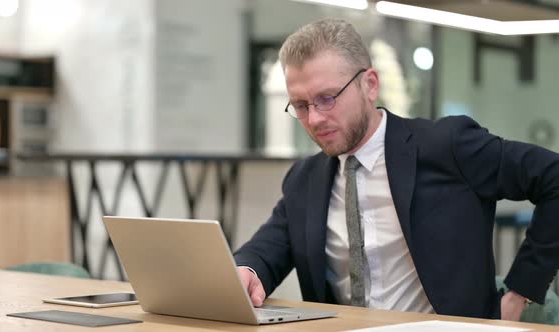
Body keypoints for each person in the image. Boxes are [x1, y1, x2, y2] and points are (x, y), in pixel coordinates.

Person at [233, 18, 559, 321]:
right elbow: (267, 249)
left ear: (370, 85)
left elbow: (553, 177)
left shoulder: (446, 147)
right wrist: (247, 269)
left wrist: (521, 292)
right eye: (301, 106)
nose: (315, 119)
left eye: (327, 98)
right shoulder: (305, 179)